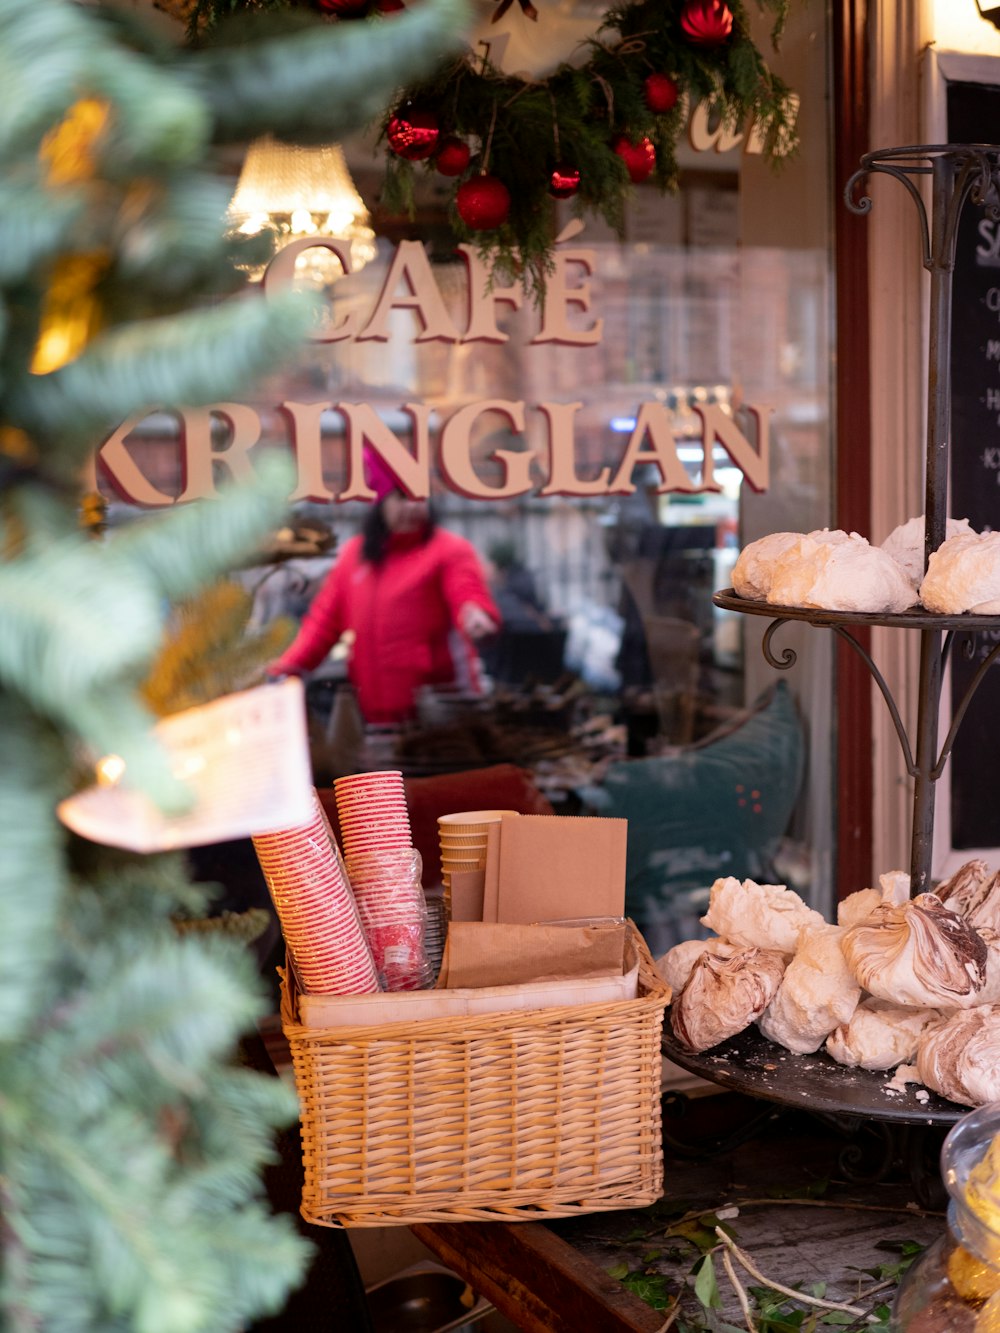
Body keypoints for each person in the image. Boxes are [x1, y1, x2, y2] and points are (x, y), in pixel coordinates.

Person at [269, 451, 500, 724]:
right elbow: (321, 626)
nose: (414, 507)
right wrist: (283, 671)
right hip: (378, 718)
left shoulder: (447, 550)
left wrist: (474, 613)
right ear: (380, 502)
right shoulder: (353, 558)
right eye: (402, 497)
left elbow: (466, 592)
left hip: (442, 714)